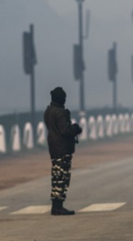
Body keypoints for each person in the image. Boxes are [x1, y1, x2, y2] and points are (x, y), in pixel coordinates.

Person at [44, 87, 82, 216]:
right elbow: (66, 130)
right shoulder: (61, 112)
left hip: (54, 148)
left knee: (56, 178)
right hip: (63, 148)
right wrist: (76, 128)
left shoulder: (48, 111)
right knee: (62, 178)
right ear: (61, 99)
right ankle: (58, 207)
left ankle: (56, 206)